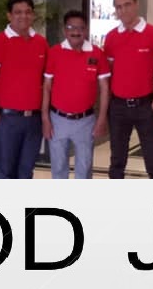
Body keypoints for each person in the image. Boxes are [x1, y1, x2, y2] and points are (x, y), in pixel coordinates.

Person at [0, 0, 49, 179]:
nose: (23, 16)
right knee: (5, 171)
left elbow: (46, 82)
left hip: (33, 120)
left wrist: (44, 117)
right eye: (18, 12)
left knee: (26, 171)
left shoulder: (41, 43)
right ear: (9, 15)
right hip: (7, 119)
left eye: (28, 12)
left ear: (32, 15)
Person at [103, 0, 153, 179]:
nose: (123, 11)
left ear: (136, 3)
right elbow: (108, 75)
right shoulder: (111, 37)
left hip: (145, 106)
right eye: (118, 7)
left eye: (127, 5)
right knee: (117, 161)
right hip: (118, 107)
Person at [41, 10, 110, 179]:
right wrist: (45, 119)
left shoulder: (97, 53)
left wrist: (102, 118)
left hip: (86, 121)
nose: (76, 32)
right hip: (58, 120)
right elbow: (47, 87)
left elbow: (105, 88)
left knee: (84, 170)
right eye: (71, 27)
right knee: (58, 168)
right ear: (65, 30)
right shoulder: (55, 52)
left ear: (86, 30)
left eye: (80, 28)